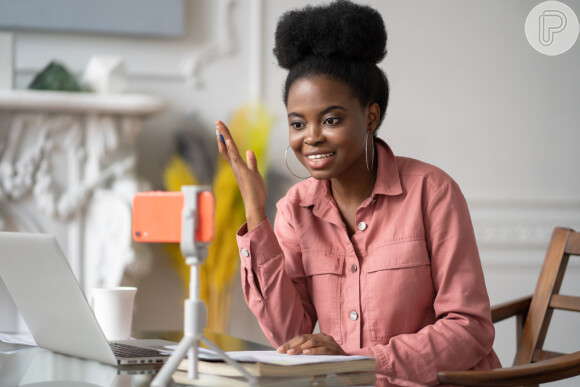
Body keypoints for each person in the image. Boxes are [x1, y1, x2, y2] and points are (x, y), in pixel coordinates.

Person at [215, 0, 501, 385]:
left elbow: (469, 328)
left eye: (331, 119)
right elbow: (289, 336)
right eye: (298, 123)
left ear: (371, 116)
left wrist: (357, 361)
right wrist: (255, 211)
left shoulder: (432, 192)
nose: (312, 137)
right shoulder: (294, 209)